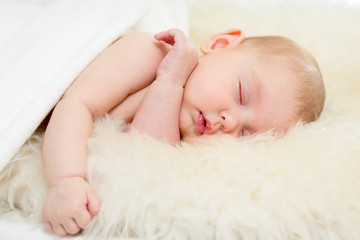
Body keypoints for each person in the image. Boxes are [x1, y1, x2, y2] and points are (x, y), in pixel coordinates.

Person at [41, 28, 325, 236]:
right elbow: (76, 104)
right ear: (220, 43)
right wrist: (65, 181)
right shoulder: (152, 52)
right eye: (241, 94)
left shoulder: (177, 129)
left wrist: (170, 83)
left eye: (245, 135)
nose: (231, 122)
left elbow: (144, 153)